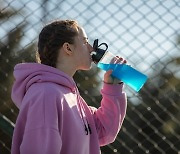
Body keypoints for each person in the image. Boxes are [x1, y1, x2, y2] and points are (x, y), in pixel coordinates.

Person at [11, 19, 127, 154]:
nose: (91, 48)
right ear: (68, 48)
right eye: (84, 41)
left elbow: (103, 131)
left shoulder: (69, 95)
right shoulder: (46, 94)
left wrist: (112, 86)